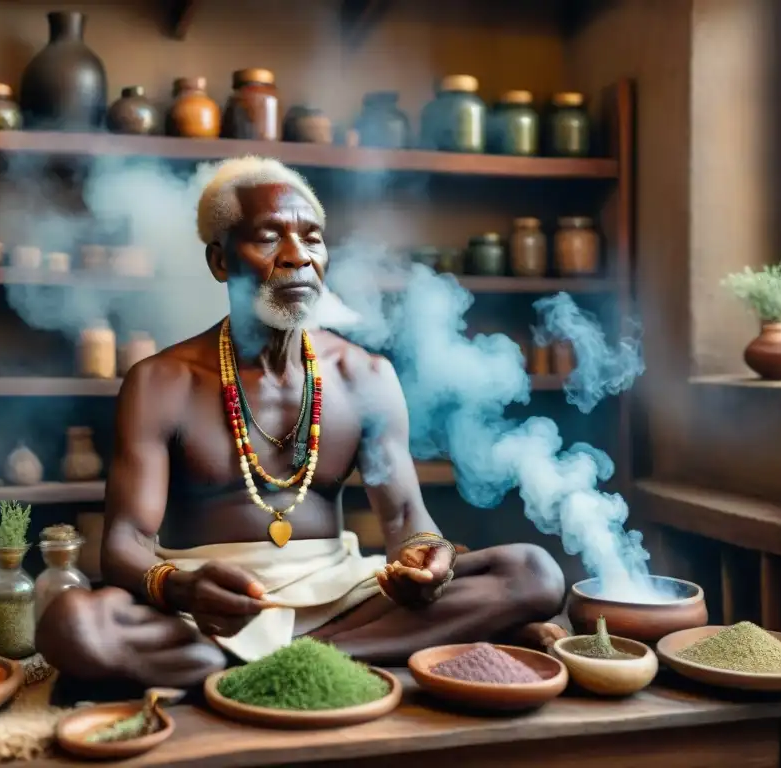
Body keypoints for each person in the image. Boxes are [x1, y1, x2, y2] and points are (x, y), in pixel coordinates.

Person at [37, 156, 566, 688]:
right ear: (220, 261)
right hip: (207, 608)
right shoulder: (161, 381)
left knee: (531, 573)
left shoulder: (365, 377)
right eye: (269, 238)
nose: (297, 257)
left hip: (340, 598)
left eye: (312, 239)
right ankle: (304, 658)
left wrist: (431, 561)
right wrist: (183, 589)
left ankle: (266, 665)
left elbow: (408, 519)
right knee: (71, 622)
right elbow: (125, 542)